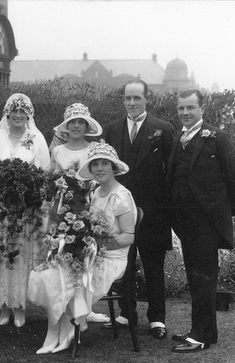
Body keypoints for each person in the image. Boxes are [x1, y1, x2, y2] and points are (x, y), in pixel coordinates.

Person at [28, 141, 137, 354]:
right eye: (95, 164)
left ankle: (67, 327)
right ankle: (56, 330)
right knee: (51, 271)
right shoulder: (96, 192)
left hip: (111, 259)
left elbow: (128, 237)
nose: (99, 169)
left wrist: (95, 245)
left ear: (113, 167)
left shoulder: (121, 196)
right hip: (90, 253)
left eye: (104, 163)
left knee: (63, 275)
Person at [168, 90, 235, 353]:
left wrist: (224, 213)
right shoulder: (177, 137)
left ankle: (201, 337)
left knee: (204, 278)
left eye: (190, 107)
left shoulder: (217, 138)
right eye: (181, 108)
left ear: (202, 109)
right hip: (184, 223)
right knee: (195, 277)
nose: (185, 113)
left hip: (206, 224)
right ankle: (198, 331)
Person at [102, 79, 174, 339]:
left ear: (147, 99)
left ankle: (157, 319)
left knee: (154, 266)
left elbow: (172, 171)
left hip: (153, 213)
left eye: (137, 98)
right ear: (123, 100)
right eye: (128, 98)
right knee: (125, 266)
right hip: (121, 213)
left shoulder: (163, 129)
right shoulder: (112, 129)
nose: (132, 103)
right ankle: (126, 314)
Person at [0, 93, 50, 327]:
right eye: (14, 111)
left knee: (20, 257)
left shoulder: (36, 138)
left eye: (23, 111)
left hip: (26, 212)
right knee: (1, 257)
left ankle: (19, 307)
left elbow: (44, 176)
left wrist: (33, 198)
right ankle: (3, 307)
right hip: (0, 210)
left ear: (28, 114)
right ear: (7, 113)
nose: (18, 115)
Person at [50, 103, 102, 173]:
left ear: (86, 127)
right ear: (67, 126)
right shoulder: (57, 151)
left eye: (81, 122)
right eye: (72, 122)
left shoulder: (94, 150)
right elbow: (50, 178)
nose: (76, 126)